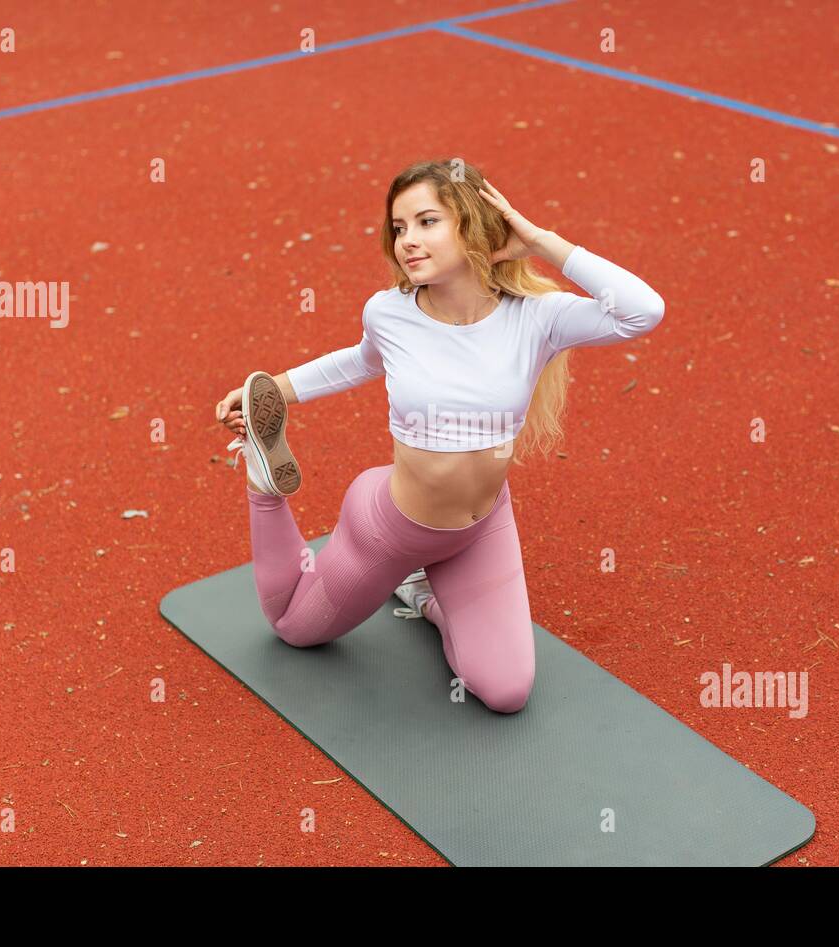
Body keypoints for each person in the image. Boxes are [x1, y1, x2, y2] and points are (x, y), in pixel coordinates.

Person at [215, 159, 664, 714]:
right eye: (399, 228)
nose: (408, 240)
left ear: (471, 223)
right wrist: (275, 391)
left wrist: (543, 242)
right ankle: (264, 484)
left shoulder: (536, 317)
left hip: (479, 528)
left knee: (506, 693)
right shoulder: (390, 313)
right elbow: (360, 362)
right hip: (390, 526)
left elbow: (642, 312)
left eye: (427, 221)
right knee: (294, 629)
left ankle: (424, 594)